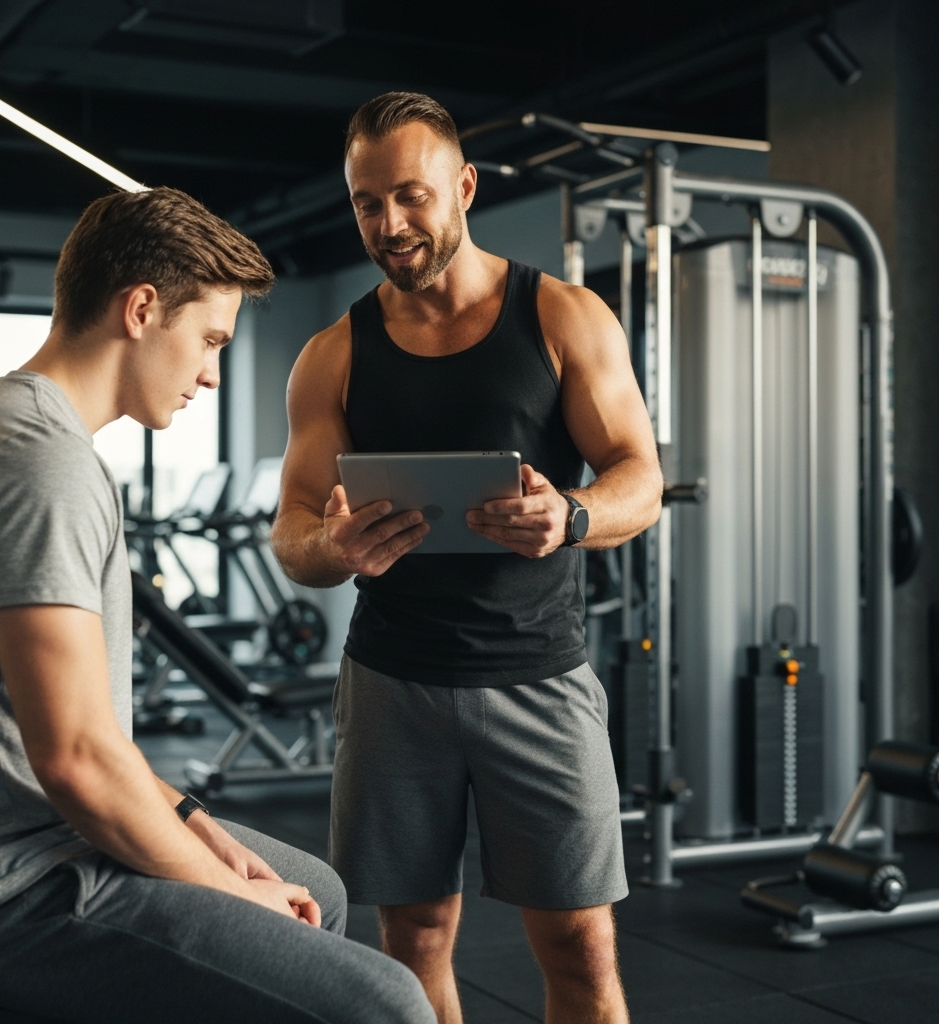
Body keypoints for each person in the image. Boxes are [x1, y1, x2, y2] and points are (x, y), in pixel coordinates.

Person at [0, 186, 435, 1024]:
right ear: (142, 309)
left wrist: (204, 828)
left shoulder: (27, 432)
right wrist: (230, 892)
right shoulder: (38, 463)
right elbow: (78, 761)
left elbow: (90, 736)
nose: (211, 373)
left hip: (29, 844)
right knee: (390, 1005)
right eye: (209, 340)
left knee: (319, 892)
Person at [271, 92, 664, 1024]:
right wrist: (330, 547)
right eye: (368, 203)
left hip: (540, 676)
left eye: (411, 196)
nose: (389, 224)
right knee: (412, 941)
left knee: (581, 947)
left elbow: (641, 478)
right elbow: (290, 532)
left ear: (465, 187)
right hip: (392, 684)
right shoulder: (332, 354)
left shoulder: (564, 316)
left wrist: (569, 515)